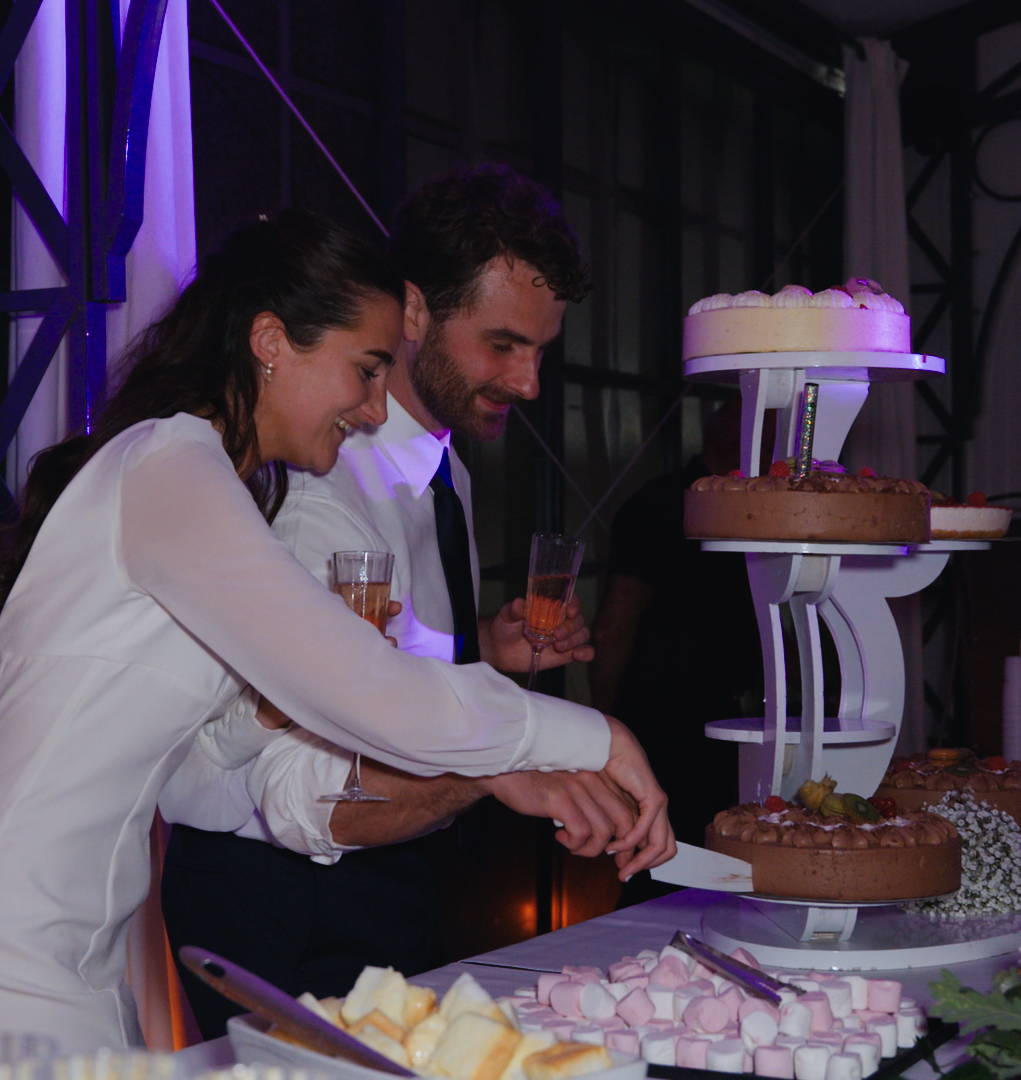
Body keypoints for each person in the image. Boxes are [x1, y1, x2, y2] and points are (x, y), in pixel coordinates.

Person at [0, 210, 671, 1050]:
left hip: (61, 945)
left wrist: (286, 711)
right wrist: (587, 734)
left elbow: (214, 748)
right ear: (271, 342)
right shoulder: (172, 466)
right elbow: (371, 690)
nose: (375, 405)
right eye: (366, 370)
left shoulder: (201, 477)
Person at [157, 165, 658, 1038]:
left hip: (396, 868)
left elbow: (376, 659)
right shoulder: (317, 482)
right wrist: (515, 756)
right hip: (289, 888)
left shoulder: (440, 463)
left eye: (541, 351)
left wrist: (479, 646)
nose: (529, 383)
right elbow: (303, 743)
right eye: (503, 345)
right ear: (414, 311)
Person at [590, 399, 764, 878]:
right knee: (669, 861)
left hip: (721, 714)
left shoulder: (743, 509)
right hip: (667, 720)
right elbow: (615, 621)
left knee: (716, 855)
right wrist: (607, 723)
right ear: (743, 446)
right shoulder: (666, 504)